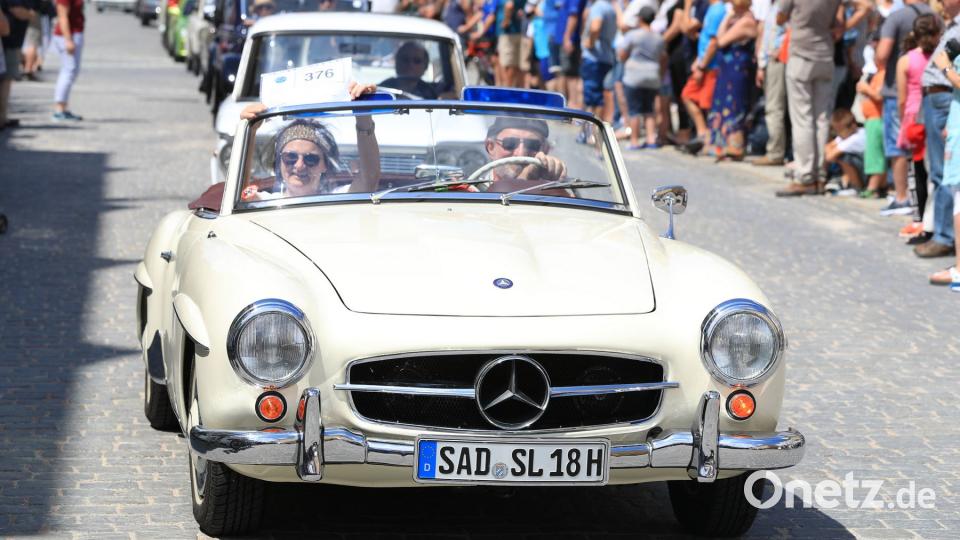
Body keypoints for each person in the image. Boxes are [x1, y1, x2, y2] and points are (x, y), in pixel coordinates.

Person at [238, 82, 382, 198]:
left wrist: (363, 115)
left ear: (325, 165)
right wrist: (249, 130)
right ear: (279, 162)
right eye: (290, 157)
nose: (299, 166)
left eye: (311, 159)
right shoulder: (265, 202)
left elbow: (370, 178)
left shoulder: (337, 199)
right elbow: (240, 195)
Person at [773, 0, 844, 197]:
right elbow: (847, 16)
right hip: (825, 54)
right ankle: (820, 174)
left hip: (801, 53)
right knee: (821, 118)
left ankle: (805, 175)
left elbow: (780, 18)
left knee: (802, 118)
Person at [872, 0, 933, 211]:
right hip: (930, 99)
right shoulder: (935, 16)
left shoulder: (896, 17)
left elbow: (881, 55)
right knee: (923, 154)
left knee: (898, 147)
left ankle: (901, 196)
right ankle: (922, 203)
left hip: (900, 97)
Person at [919, 0, 960, 258]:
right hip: (941, 100)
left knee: (946, 173)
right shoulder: (951, 24)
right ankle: (941, 232)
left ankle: (945, 236)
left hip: (946, 98)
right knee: (939, 171)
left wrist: (945, 65)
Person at [890, 13, 939, 227]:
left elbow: (902, 98)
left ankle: (919, 218)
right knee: (934, 170)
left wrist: (903, 122)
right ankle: (934, 217)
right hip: (935, 114)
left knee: (917, 171)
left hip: (913, 117)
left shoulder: (906, 60)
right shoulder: (940, 56)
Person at [708, 0, 758, 161]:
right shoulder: (736, 19)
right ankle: (725, 145)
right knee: (725, 104)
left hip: (738, 70)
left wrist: (728, 18)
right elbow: (719, 36)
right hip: (729, 70)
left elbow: (721, 41)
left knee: (735, 106)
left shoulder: (747, 21)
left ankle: (735, 146)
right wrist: (728, 17)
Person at [679, 0, 724, 155]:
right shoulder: (711, 9)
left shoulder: (718, 10)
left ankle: (709, 140)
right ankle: (703, 132)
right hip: (704, 63)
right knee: (688, 95)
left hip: (711, 66)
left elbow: (713, 42)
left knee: (707, 104)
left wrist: (701, 65)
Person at [618, 5, 664, 149]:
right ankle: (651, 139)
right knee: (649, 109)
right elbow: (663, 57)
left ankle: (634, 141)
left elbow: (622, 54)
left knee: (634, 110)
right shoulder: (659, 38)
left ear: (640, 18)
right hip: (652, 75)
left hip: (634, 75)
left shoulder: (633, 35)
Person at [482, 116, 567, 186]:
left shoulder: (553, 193)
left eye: (533, 145)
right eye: (510, 143)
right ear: (491, 147)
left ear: (545, 150)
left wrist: (554, 182)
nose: (521, 153)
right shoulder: (472, 192)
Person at [753, 0, 787, 166]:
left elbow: (786, 32)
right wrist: (762, 64)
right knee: (774, 107)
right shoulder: (773, 6)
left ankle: (775, 152)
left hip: (778, 59)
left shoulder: (784, 5)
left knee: (775, 107)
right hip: (770, 60)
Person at [580, 0, 617, 125]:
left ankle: (590, 130)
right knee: (600, 94)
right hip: (606, 57)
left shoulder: (598, 7)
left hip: (594, 58)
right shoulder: (610, 7)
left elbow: (596, 27)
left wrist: (590, 42)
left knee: (593, 97)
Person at [856, 63, 888, 198]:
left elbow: (880, 96)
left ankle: (873, 187)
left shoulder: (884, 74)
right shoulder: (878, 73)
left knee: (875, 155)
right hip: (872, 119)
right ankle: (881, 186)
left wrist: (865, 88)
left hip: (877, 119)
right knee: (876, 153)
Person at [51, 0, 84, 121]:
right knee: (68, 70)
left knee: (72, 71)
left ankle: (63, 107)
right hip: (68, 35)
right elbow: (62, 16)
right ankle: (59, 109)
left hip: (74, 33)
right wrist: (68, 39)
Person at [1, 0, 31, 129]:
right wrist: (31, 15)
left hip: (11, 41)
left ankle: (3, 117)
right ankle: (2, 118)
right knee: (6, 80)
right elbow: (5, 27)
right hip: (9, 41)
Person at [823, 108, 866, 193]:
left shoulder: (855, 138)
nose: (838, 134)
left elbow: (829, 156)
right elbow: (827, 147)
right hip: (862, 166)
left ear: (853, 126)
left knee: (844, 158)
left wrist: (832, 154)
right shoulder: (847, 134)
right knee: (839, 156)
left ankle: (856, 187)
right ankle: (842, 179)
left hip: (867, 170)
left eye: (840, 131)